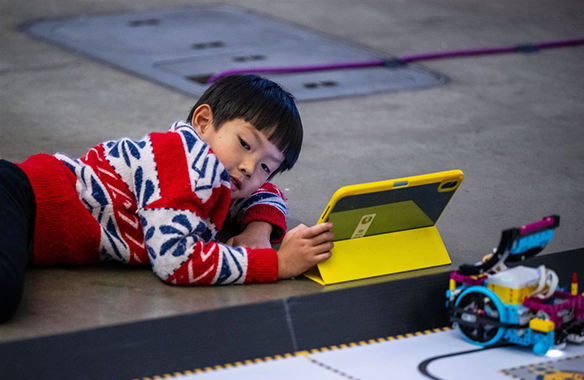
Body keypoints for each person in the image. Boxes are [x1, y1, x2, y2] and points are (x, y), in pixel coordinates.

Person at [0, 74, 334, 322]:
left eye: (265, 165)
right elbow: (175, 260)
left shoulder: (221, 172)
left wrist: (256, 232)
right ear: (203, 122)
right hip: (21, 196)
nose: (249, 168)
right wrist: (278, 264)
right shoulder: (185, 160)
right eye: (245, 144)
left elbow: (268, 193)